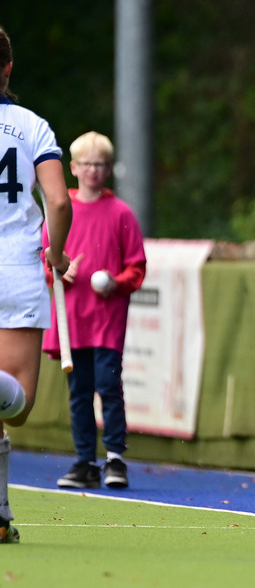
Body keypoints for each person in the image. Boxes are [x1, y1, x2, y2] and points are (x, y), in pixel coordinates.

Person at [39, 132, 146, 490]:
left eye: (100, 165)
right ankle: (85, 461)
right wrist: (59, 269)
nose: (93, 171)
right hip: (73, 322)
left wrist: (116, 282)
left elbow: (136, 268)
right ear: (73, 168)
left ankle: (115, 458)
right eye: (86, 164)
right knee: (80, 390)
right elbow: (45, 259)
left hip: (107, 321)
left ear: (109, 169)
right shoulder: (59, 211)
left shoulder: (121, 213)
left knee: (108, 386)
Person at [0, 25, 73, 543]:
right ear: (7, 69)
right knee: (17, 406)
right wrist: (58, 250)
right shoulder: (30, 127)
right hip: (18, 271)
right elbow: (61, 202)